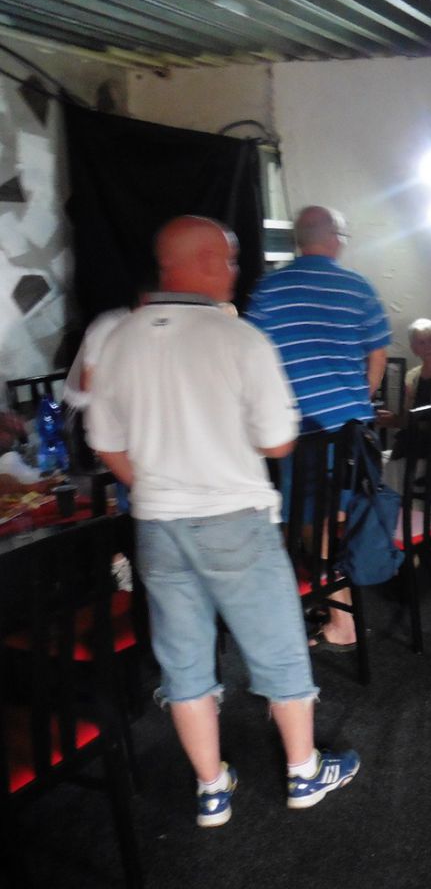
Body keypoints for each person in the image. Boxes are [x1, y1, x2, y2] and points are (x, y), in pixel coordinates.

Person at [88, 216, 359, 828]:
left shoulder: (120, 339)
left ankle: (212, 789)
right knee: (279, 647)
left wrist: (153, 486)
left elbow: (104, 442)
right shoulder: (239, 339)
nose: (236, 271)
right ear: (206, 262)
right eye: (230, 260)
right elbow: (279, 442)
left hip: (158, 526)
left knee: (183, 661)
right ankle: (304, 773)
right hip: (234, 519)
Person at [246, 205, 392, 651]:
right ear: (334, 239)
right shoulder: (358, 287)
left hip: (297, 431)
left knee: (309, 522)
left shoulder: (269, 289)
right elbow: (378, 355)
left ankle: (333, 612)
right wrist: (360, 399)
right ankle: (338, 611)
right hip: (351, 432)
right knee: (335, 515)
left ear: (297, 239)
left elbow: (249, 357)